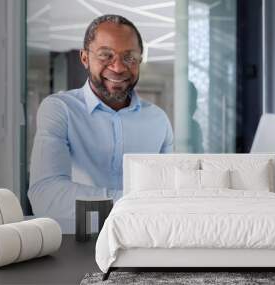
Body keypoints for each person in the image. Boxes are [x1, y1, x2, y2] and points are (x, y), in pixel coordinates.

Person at [28, 15, 173, 230]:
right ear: (85, 58)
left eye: (130, 57)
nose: (118, 67)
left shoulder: (158, 121)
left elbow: (170, 196)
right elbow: (46, 198)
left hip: (141, 243)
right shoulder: (60, 110)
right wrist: (131, 204)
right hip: (75, 245)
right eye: (106, 55)